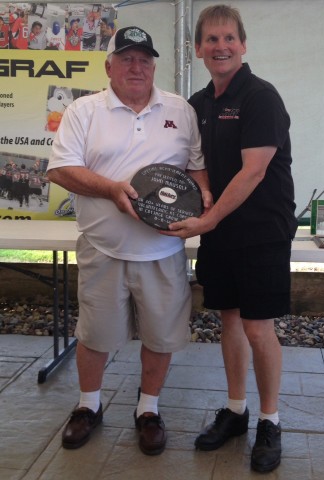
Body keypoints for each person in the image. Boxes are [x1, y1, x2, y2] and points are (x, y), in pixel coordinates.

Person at [46, 26, 211, 455]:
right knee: (95, 335)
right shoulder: (83, 111)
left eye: (144, 59)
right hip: (102, 248)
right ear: (109, 66)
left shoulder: (180, 110)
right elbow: (60, 170)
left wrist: (204, 193)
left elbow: (195, 168)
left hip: (163, 251)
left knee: (161, 336)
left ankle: (148, 410)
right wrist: (112, 190)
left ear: (154, 65)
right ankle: (89, 406)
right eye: (126, 59)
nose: (136, 67)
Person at [162, 5, 297, 473]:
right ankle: (237, 411)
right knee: (230, 322)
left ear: (243, 44)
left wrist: (206, 221)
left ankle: (269, 419)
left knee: (259, 328)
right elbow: (196, 165)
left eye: (229, 38)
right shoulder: (198, 103)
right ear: (198, 49)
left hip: (261, 231)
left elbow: (252, 171)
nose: (221, 46)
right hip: (219, 228)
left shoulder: (262, 97)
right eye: (211, 40)